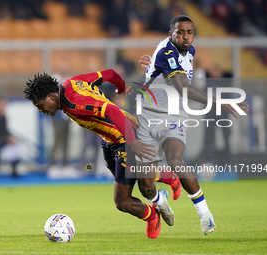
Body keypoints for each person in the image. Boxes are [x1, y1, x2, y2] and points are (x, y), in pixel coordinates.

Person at [23, 69, 179, 239]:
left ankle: (158, 199)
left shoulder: (75, 105)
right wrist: (121, 86)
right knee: (126, 193)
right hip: (109, 140)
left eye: (40, 105)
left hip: (125, 137)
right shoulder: (72, 82)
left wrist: (132, 142)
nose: (40, 110)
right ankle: (154, 208)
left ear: (51, 97)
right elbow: (109, 74)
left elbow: (112, 111)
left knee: (124, 201)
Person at [137, 15, 249, 235]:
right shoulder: (166, 52)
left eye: (189, 32)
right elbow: (185, 88)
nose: (185, 36)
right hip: (149, 116)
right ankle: (160, 200)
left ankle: (205, 213)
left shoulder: (190, 51)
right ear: (171, 34)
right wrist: (220, 102)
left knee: (175, 159)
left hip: (175, 114)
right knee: (145, 183)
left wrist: (152, 69)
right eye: (180, 32)